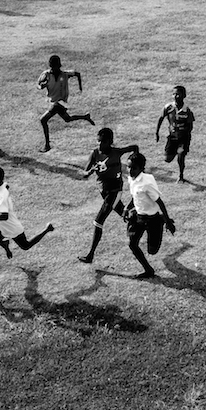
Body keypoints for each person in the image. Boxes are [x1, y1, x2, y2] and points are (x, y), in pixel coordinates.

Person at [0, 165, 55, 294]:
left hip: (11, 227)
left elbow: (4, 215)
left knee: (26, 246)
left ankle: (46, 229)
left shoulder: (3, 195)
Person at [78, 128, 140, 264]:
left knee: (98, 221)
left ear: (110, 142)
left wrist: (135, 166)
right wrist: (89, 172)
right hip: (104, 192)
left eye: (103, 142)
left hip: (114, 191)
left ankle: (90, 255)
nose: (100, 144)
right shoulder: (94, 154)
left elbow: (134, 147)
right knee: (125, 215)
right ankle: (142, 224)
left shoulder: (116, 152)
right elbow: (83, 172)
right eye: (98, 141)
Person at [123, 152, 176, 279]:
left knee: (152, 251)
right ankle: (148, 270)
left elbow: (160, 202)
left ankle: (161, 221)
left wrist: (168, 221)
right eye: (128, 167)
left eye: (133, 168)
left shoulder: (146, 183)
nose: (130, 170)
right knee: (132, 244)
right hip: (139, 217)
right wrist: (127, 208)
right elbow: (134, 196)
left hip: (152, 220)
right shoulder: (132, 179)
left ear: (141, 169)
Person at [36, 54, 95, 152]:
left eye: (58, 67)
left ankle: (47, 145)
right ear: (51, 66)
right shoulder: (46, 75)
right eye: (54, 67)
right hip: (54, 102)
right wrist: (42, 86)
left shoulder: (65, 74)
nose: (56, 69)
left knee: (43, 120)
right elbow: (38, 85)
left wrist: (80, 86)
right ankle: (85, 117)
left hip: (59, 103)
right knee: (67, 119)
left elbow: (77, 74)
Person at [156, 85, 194, 183]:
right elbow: (161, 118)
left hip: (183, 138)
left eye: (178, 94)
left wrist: (185, 135)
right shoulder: (168, 107)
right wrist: (157, 132)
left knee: (181, 155)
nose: (175, 96)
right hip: (172, 137)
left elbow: (190, 126)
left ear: (184, 95)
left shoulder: (187, 110)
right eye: (174, 94)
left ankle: (181, 176)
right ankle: (176, 152)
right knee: (167, 159)